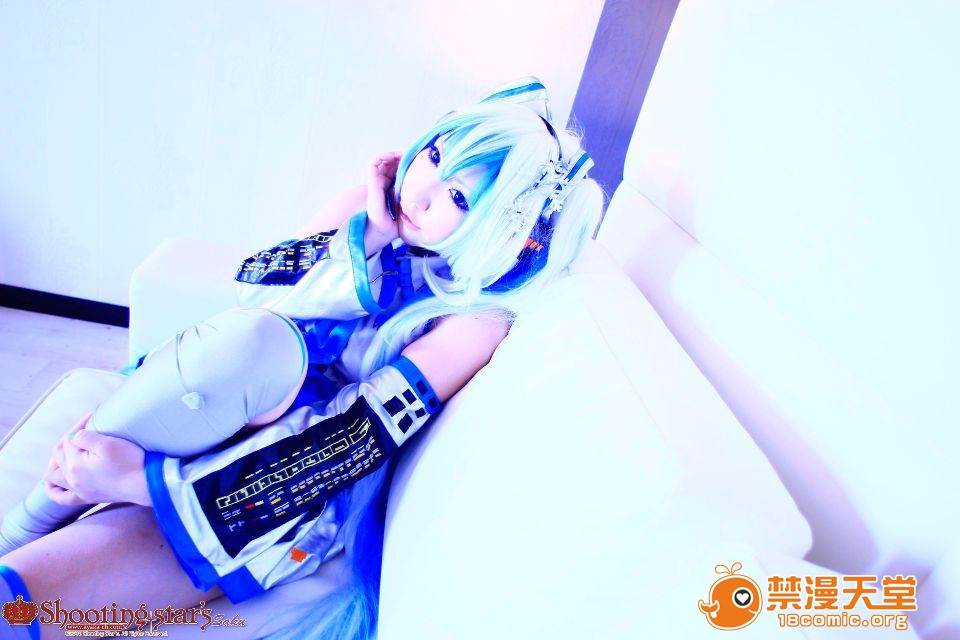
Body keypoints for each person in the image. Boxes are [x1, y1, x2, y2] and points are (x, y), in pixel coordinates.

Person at [0, 76, 605, 640]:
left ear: (502, 228)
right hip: (221, 399)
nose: (420, 190)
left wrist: (146, 483)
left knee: (16, 604)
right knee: (256, 344)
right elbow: (254, 299)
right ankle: (38, 511)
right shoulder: (364, 214)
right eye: (436, 155)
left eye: (458, 197)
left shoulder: (473, 322)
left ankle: (43, 516)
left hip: (266, 490)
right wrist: (370, 238)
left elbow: (354, 436)